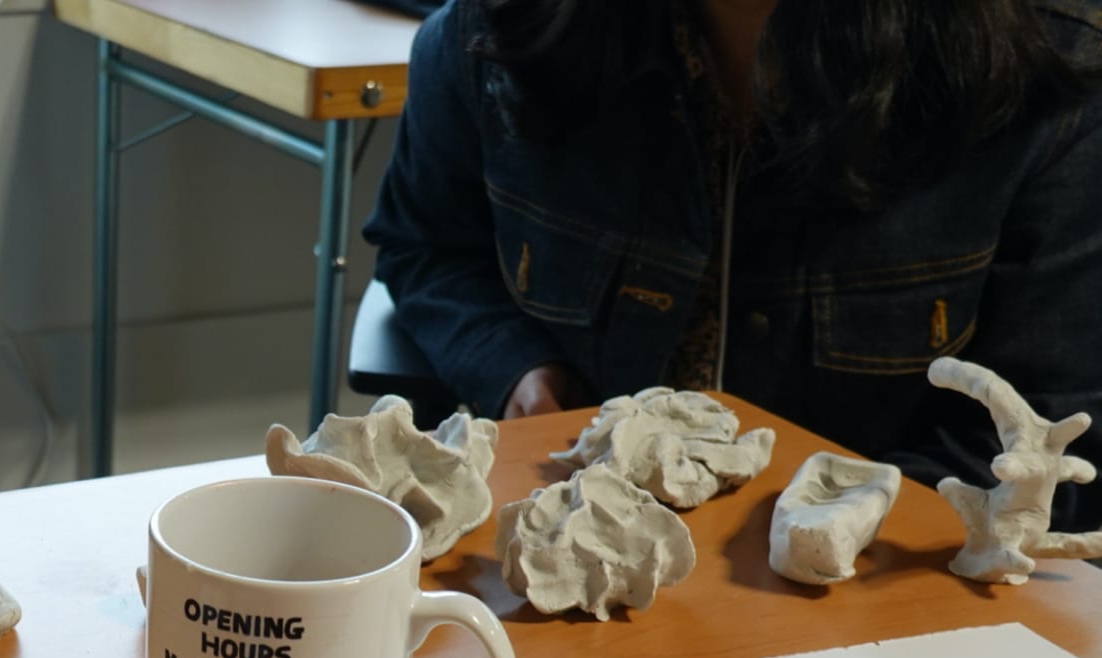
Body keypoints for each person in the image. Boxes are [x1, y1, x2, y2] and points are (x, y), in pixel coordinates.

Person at [364, 0, 1102, 532]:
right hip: (573, 553)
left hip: (875, 599)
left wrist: (831, 526)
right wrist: (515, 366)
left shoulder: (1049, 80)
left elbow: (1044, 433)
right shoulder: (492, 36)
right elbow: (427, 244)